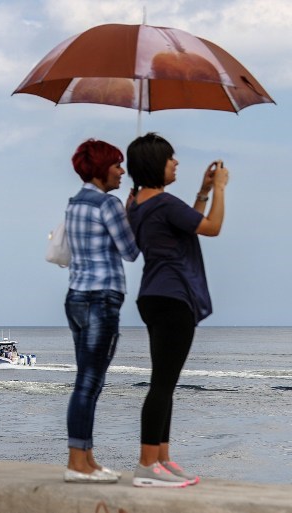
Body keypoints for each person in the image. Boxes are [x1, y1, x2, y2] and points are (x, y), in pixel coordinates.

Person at [126, 133, 229, 488]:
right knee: (162, 384)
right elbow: (211, 228)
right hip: (173, 297)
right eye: (171, 158)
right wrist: (221, 189)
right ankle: (145, 464)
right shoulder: (165, 203)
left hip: (153, 295)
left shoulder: (138, 204)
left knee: (164, 383)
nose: (177, 162)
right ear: (156, 163)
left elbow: (187, 227)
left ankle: (161, 458)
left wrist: (202, 191)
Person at [63, 139, 140, 484]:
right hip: (102, 298)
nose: (122, 171)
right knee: (89, 381)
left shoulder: (74, 203)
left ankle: (86, 459)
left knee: (86, 379)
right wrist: (131, 212)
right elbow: (130, 250)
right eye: (117, 165)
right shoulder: (108, 204)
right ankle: (77, 464)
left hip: (76, 296)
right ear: (101, 168)